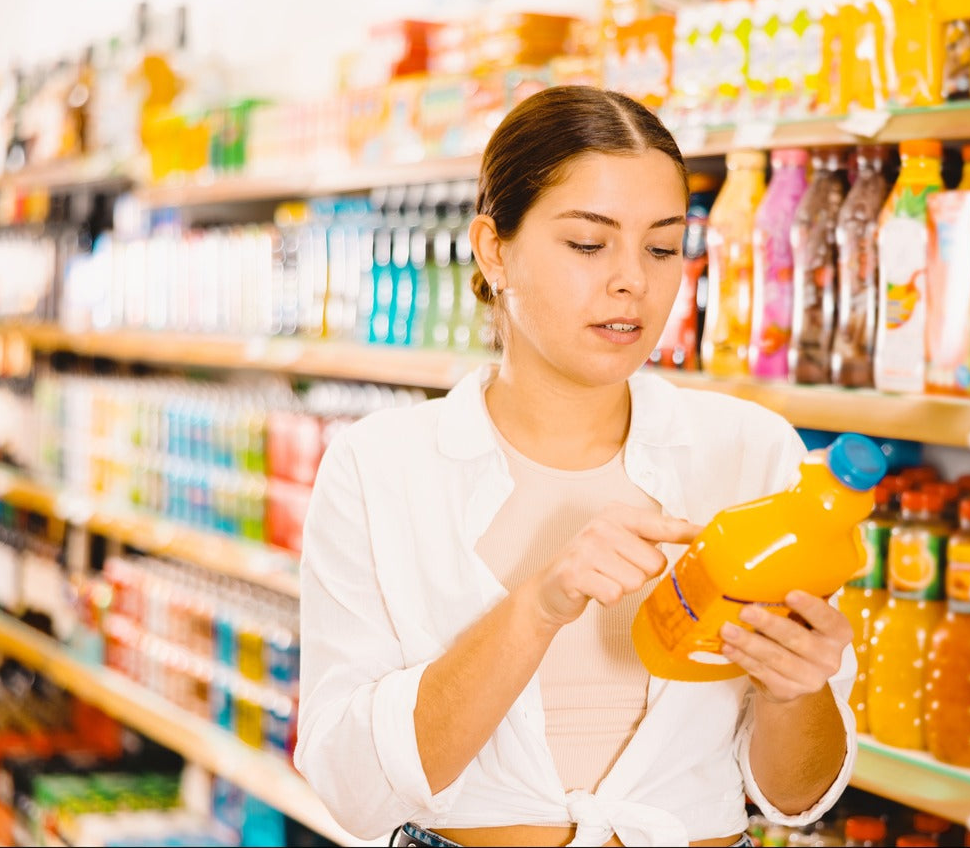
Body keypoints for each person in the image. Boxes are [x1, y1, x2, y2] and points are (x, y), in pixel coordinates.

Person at [294, 85, 858, 848]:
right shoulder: (379, 467)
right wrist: (538, 607)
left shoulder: (752, 451)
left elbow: (797, 797)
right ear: (494, 250)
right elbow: (350, 788)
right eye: (589, 244)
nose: (633, 280)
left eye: (663, 248)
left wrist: (798, 691)